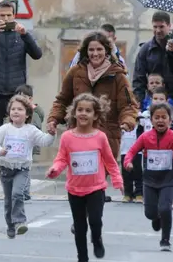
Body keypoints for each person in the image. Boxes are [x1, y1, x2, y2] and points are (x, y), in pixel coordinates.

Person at [47, 31, 138, 203]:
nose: (95, 54)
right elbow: (62, 100)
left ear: (107, 51)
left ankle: (92, 212)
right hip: (78, 135)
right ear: (85, 51)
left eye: (99, 49)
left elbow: (128, 105)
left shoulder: (118, 76)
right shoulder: (75, 72)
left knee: (98, 180)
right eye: (91, 50)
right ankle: (82, 211)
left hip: (106, 136)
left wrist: (127, 122)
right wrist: (53, 119)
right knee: (80, 176)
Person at [46, 93, 124, 262]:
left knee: (95, 220)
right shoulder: (67, 137)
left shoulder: (100, 137)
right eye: (80, 110)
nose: (83, 113)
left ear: (95, 115)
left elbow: (110, 161)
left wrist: (117, 180)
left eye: (88, 111)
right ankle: (82, 260)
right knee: (79, 226)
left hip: (96, 187)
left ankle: (97, 239)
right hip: (75, 189)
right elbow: (61, 159)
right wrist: (55, 169)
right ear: (74, 113)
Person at [0, 1, 43, 199]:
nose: (6, 19)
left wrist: (26, 35)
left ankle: (23, 186)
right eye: (2, 15)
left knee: (21, 138)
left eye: (9, 15)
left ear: (14, 15)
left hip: (16, 94)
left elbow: (37, 54)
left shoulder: (21, 35)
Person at [123, 102, 173, 252]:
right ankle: (156, 218)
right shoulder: (145, 137)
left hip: (168, 180)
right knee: (150, 213)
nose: (160, 120)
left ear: (170, 120)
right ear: (151, 120)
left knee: (165, 208)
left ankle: (165, 240)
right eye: (157, 117)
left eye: (164, 117)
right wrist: (128, 162)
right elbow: (131, 151)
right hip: (149, 180)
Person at [0, 95, 55, 238]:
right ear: (9, 112)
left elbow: (44, 141)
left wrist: (51, 134)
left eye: (20, 109)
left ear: (27, 114)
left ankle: (19, 221)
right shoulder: (4, 129)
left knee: (17, 194)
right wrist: (0, 151)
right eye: (13, 109)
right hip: (5, 169)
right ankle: (11, 225)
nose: (16, 112)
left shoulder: (30, 130)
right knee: (8, 201)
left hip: (22, 169)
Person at [132, 11, 173, 102]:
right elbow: (139, 79)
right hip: (153, 100)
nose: (158, 30)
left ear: (169, 26)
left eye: (161, 27)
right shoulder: (145, 49)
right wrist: (138, 101)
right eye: (155, 27)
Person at [14, 84, 44, 200]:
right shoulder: (18, 111)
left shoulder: (34, 113)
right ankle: (23, 191)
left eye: (23, 97)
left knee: (24, 168)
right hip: (19, 144)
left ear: (30, 99)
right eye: (18, 97)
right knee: (20, 167)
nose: (20, 100)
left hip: (28, 145)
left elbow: (35, 127)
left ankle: (24, 192)